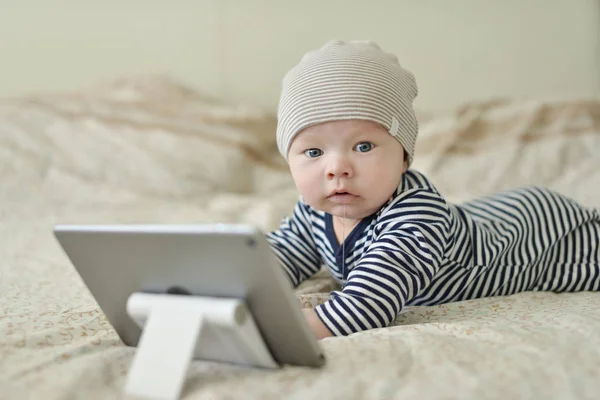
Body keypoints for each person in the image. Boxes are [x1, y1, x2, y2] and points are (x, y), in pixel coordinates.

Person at [265, 40, 600, 339]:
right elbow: (282, 256)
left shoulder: (415, 217)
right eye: (313, 152)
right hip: (483, 216)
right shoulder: (313, 210)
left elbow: (364, 306)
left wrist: (274, 328)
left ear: (404, 156)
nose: (337, 168)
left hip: (541, 235)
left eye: (364, 146)